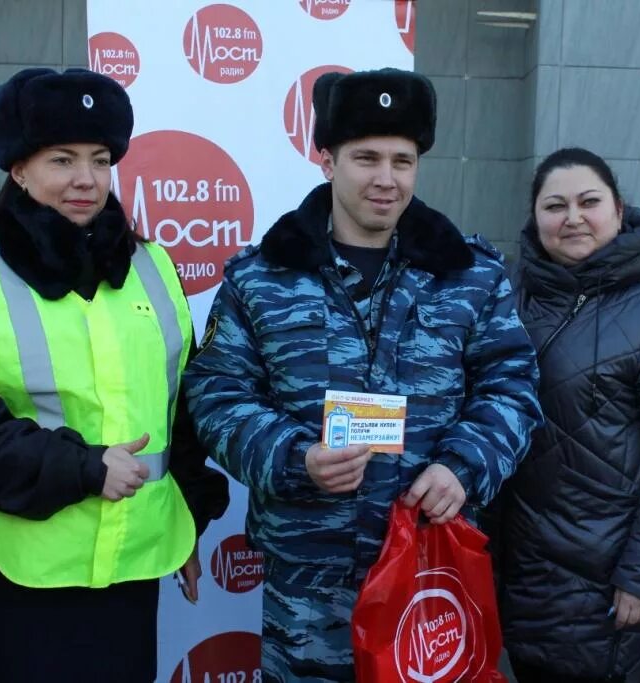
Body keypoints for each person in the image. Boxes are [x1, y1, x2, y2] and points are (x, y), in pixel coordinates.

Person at [183, 67, 542, 682]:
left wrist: (462, 467)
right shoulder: (262, 277)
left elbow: (512, 386)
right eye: (366, 158)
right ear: (327, 160)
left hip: (430, 577)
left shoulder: (472, 274)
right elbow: (216, 394)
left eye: (402, 161)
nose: (386, 179)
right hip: (307, 587)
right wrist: (295, 457)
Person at [0, 68, 228, 683]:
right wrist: (84, 468)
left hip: (134, 567)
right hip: (24, 574)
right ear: (18, 169)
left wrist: (187, 519)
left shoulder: (155, 268)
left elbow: (181, 410)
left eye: (100, 159)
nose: (85, 180)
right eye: (61, 160)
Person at [496, 148, 640, 682]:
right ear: (536, 218)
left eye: (588, 201)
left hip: (605, 584)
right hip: (519, 574)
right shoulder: (505, 298)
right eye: (555, 206)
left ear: (618, 209)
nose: (572, 217)